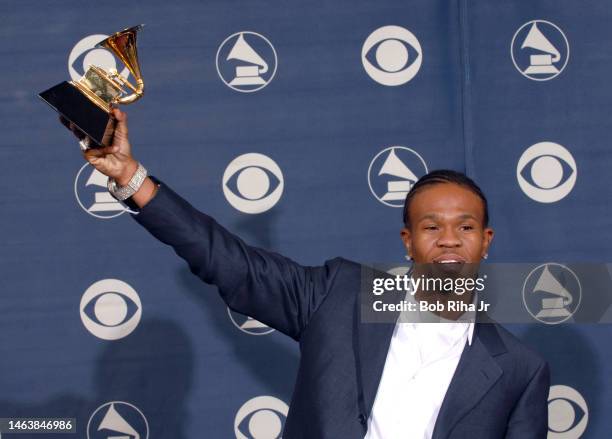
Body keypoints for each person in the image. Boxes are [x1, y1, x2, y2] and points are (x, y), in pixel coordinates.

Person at [63, 108, 550, 438]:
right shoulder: (338, 295)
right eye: (431, 226)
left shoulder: (521, 369)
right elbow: (227, 260)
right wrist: (129, 177)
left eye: (465, 226)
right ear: (408, 242)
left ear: (486, 242)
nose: (448, 239)